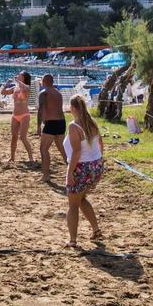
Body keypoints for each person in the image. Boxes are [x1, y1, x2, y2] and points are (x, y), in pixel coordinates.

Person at [64, 94, 104, 247]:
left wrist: (69, 173)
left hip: (82, 167)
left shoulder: (74, 126)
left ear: (73, 108)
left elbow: (76, 152)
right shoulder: (91, 122)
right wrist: (99, 160)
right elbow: (100, 142)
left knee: (73, 205)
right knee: (81, 199)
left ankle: (73, 240)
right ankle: (96, 230)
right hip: (95, 165)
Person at [38, 74, 67, 180]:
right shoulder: (58, 93)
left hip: (51, 123)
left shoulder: (44, 93)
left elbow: (40, 110)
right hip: (61, 122)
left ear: (43, 81)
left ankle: (46, 175)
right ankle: (73, 171)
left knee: (43, 149)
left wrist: (38, 126)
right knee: (62, 148)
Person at [1, 71, 34, 163]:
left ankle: (31, 157)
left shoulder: (26, 87)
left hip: (24, 115)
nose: (18, 75)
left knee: (23, 137)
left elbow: (27, 88)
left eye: (20, 75)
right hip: (15, 115)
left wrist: (18, 81)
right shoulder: (15, 88)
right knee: (14, 137)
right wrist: (6, 84)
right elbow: (2, 92)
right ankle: (12, 157)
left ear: (23, 77)